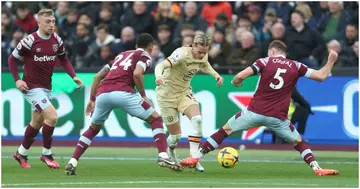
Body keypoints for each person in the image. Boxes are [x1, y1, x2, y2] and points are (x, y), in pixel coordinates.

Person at [180, 40, 340, 176]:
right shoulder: (296, 66)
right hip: (278, 117)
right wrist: (331, 60)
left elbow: (240, 76)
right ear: (284, 53)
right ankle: (317, 168)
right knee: (298, 143)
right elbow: (321, 76)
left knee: (224, 131)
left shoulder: (264, 61)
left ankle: (195, 157)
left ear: (272, 51)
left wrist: (236, 82)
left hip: (254, 112)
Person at [65, 33, 182, 175]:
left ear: (136, 45)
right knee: (155, 119)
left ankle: (72, 161)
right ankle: (163, 156)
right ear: (151, 46)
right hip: (123, 92)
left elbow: (97, 76)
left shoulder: (121, 55)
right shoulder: (145, 56)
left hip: (102, 94)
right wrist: (144, 95)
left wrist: (92, 99)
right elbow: (137, 74)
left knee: (93, 129)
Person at [8, 9, 83, 169]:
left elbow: (64, 59)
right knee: (52, 116)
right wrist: (17, 80)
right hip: (31, 87)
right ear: (39, 23)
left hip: (46, 87)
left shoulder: (56, 39)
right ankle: (46, 153)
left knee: (37, 122)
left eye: (53, 21)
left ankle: (21, 153)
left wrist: (73, 76)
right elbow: (12, 60)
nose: (51, 25)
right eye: (48, 22)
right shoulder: (30, 41)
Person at [154, 33, 224, 172]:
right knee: (175, 137)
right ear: (193, 45)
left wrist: (216, 75)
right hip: (166, 96)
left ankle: (194, 158)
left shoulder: (203, 54)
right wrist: (159, 77)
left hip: (184, 93)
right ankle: (171, 153)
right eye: (199, 52)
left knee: (197, 119)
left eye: (205, 52)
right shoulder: (181, 54)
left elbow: (205, 65)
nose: (201, 55)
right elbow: (160, 66)